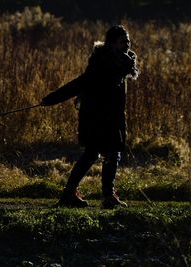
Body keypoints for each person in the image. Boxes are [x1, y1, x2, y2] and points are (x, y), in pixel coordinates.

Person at [40, 25, 139, 208]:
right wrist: (52, 99)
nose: (127, 45)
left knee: (108, 154)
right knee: (96, 153)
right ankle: (77, 194)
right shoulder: (103, 62)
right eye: (123, 42)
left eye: (128, 41)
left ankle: (96, 195)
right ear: (112, 43)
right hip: (96, 117)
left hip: (112, 117)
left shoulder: (121, 63)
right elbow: (80, 83)